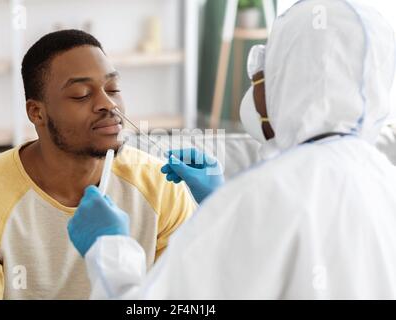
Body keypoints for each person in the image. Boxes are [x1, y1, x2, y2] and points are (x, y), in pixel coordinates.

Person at [68, 0, 396, 299]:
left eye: (263, 73)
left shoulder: (262, 195)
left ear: (287, 80)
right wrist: (220, 201)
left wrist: (108, 248)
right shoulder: (384, 181)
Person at [0, 30, 196, 299]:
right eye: (81, 94)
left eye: (113, 89)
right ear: (37, 112)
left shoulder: (161, 187)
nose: (108, 103)